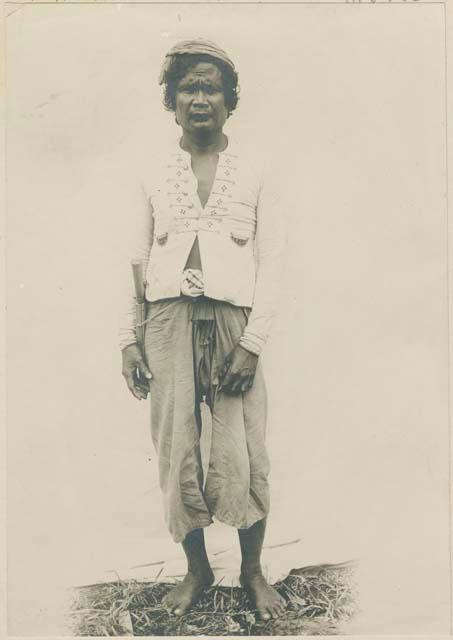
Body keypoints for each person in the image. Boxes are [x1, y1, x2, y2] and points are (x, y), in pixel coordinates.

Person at [119, 38, 286, 621]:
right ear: (171, 99)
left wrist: (253, 343)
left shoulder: (257, 171)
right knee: (176, 449)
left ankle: (252, 571)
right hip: (165, 322)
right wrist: (128, 338)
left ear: (229, 100)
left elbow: (275, 263)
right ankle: (197, 570)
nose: (199, 98)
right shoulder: (149, 170)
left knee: (243, 449)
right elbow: (132, 259)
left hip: (235, 322)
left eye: (210, 87)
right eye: (188, 86)